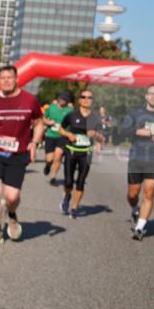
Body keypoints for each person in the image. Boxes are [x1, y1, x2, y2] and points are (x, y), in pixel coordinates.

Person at [0, 65, 44, 245]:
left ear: (16, 79)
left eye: (9, 78)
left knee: (11, 197)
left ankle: (11, 214)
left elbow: (38, 123)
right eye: (2, 78)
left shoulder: (30, 100)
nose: (6, 81)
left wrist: (34, 142)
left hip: (18, 154)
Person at [58, 89, 103, 218]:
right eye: (83, 97)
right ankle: (67, 196)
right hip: (71, 150)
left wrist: (96, 135)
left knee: (81, 181)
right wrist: (68, 134)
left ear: (92, 101)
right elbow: (61, 129)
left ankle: (74, 207)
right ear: (79, 100)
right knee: (68, 182)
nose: (86, 99)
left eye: (90, 97)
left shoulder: (96, 117)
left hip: (86, 152)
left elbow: (102, 137)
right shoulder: (72, 115)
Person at [121, 84, 154, 241]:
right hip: (136, 159)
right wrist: (137, 131)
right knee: (132, 193)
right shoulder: (136, 113)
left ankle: (140, 228)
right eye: (151, 93)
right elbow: (121, 131)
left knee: (149, 193)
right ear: (146, 96)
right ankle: (134, 208)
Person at [42, 91, 73, 186]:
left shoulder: (70, 110)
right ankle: (48, 165)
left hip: (62, 136)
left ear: (68, 101)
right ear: (58, 98)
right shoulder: (52, 108)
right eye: (61, 98)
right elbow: (44, 118)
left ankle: (53, 177)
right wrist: (48, 122)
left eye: (65, 99)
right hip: (50, 135)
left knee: (58, 156)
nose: (62, 100)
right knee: (49, 159)